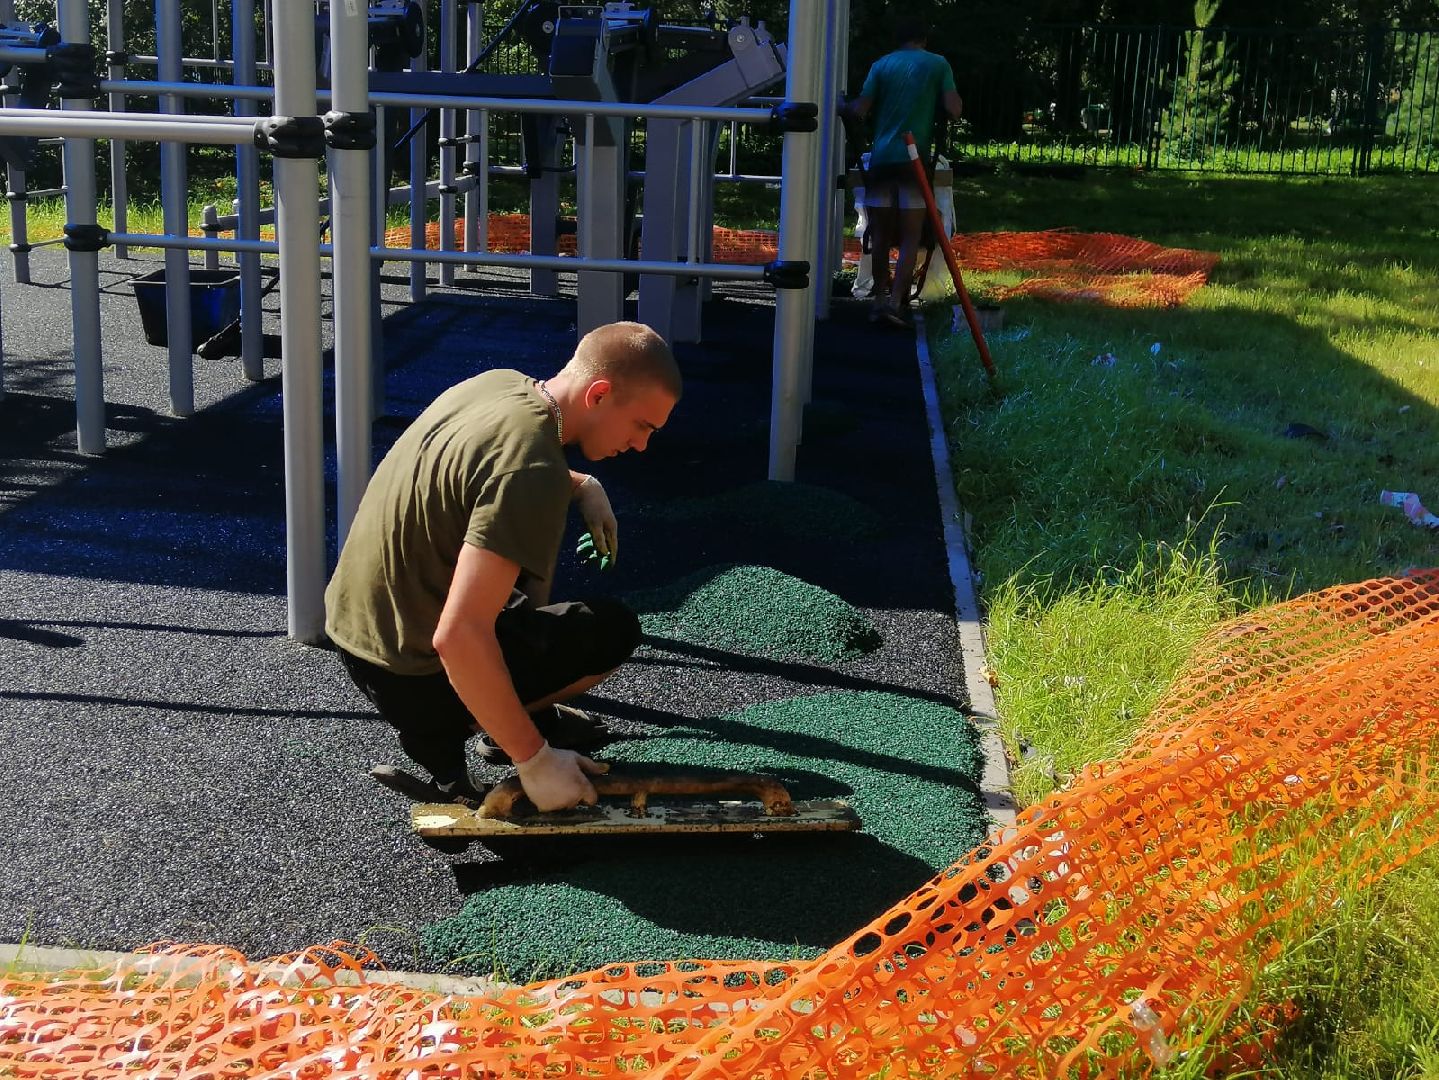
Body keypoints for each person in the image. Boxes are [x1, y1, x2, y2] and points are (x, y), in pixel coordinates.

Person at [325, 321, 682, 813]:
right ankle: (452, 734)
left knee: (504, 595)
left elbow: (482, 467)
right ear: (600, 394)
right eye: (643, 426)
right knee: (610, 630)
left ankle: (511, 718)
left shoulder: (499, 385)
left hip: (357, 633)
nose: (643, 445)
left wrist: (580, 484)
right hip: (411, 671)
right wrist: (535, 763)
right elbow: (460, 635)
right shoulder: (532, 470)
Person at [844, 14, 963, 329]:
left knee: (880, 233)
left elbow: (860, 109)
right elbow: (954, 108)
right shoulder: (938, 64)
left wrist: (844, 106)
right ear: (924, 39)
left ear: (897, 39)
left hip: (882, 159)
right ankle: (897, 302)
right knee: (911, 235)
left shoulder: (881, 65)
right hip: (914, 161)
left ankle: (879, 300)